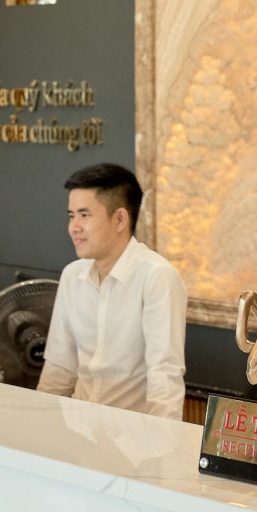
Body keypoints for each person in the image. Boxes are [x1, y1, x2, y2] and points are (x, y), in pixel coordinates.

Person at [36, 162, 187, 417]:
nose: (73, 227)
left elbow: (164, 379)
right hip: (77, 428)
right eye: (71, 215)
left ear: (119, 219)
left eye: (84, 215)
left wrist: (160, 441)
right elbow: (59, 369)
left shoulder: (157, 277)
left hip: (131, 434)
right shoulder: (72, 276)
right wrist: (38, 427)